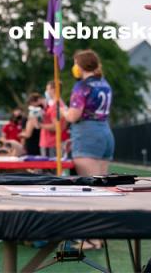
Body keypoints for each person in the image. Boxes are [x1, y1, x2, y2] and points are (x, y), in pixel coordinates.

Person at [62, 49, 114, 250]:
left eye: (75, 63)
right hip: (105, 133)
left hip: (87, 135)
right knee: (101, 188)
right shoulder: (104, 83)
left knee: (90, 190)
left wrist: (63, 111)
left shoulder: (82, 86)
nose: (74, 67)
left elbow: (74, 116)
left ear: (81, 66)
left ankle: (92, 239)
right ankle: (100, 235)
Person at [39, 80, 68, 158]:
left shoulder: (56, 106)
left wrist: (39, 125)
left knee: (49, 169)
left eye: (47, 89)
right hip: (51, 143)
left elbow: (56, 127)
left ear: (53, 89)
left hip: (51, 143)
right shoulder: (57, 104)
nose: (46, 91)